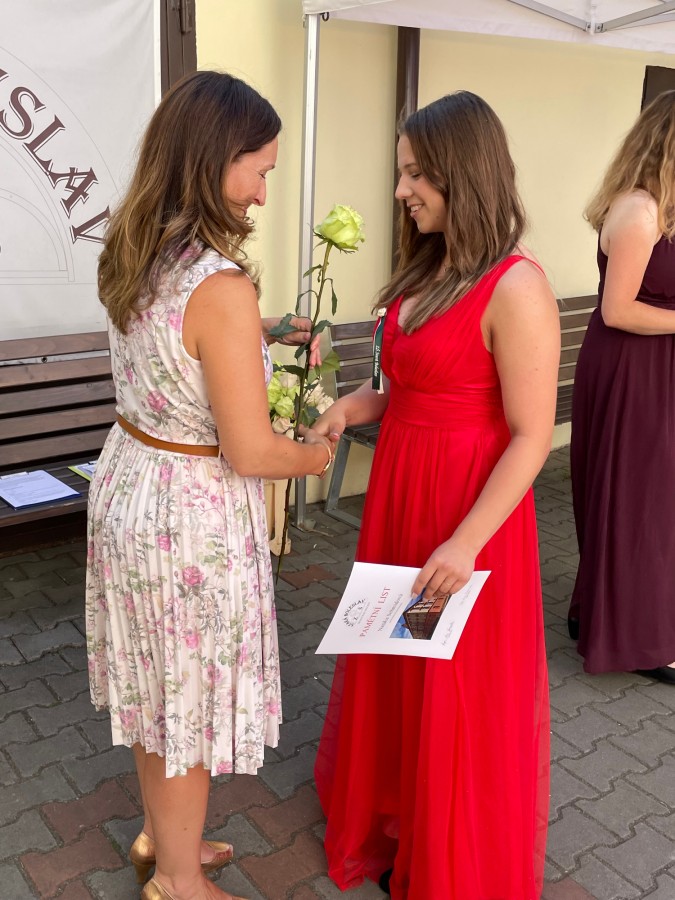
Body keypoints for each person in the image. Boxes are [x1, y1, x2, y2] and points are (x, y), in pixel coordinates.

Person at [85, 71, 335, 900]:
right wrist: (316, 455)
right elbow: (252, 451)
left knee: (155, 689)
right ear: (213, 160)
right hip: (188, 513)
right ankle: (178, 879)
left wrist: (259, 332)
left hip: (130, 484)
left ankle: (162, 838)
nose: (263, 193)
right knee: (184, 699)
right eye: (258, 171)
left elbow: (172, 335)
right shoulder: (220, 287)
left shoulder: (136, 249)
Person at [312, 91, 559, 899]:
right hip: (401, 504)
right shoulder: (429, 267)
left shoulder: (515, 286)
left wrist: (464, 543)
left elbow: (529, 434)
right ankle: (403, 813)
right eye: (401, 173)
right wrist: (352, 407)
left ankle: (448, 851)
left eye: (416, 173)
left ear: (464, 172)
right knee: (402, 663)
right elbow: (410, 390)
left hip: (464, 518)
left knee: (453, 682)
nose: (400, 191)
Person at [568, 91, 675, 683]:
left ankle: (604, 612)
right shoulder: (638, 211)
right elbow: (619, 310)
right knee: (638, 500)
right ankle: (637, 638)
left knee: (650, 499)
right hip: (632, 369)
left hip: (654, 367)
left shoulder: (662, 208)